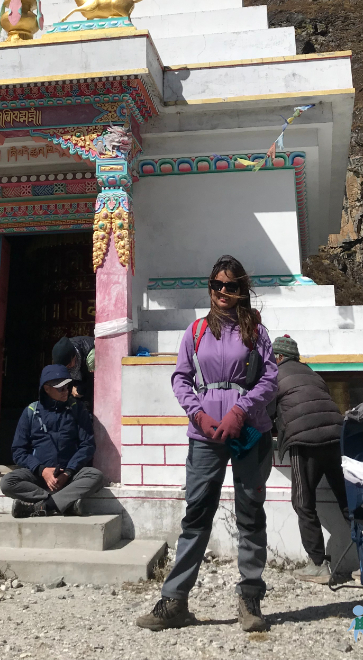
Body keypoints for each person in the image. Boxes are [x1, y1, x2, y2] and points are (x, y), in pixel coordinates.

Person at [137, 255, 278, 634]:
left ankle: (250, 597)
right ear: (210, 286)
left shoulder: (256, 332)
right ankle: (175, 601)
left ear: (242, 290)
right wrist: (198, 414)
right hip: (205, 435)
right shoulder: (196, 331)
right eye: (217, 285)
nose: (223, 293)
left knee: (250, 513)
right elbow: (181, 378)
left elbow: (268, 379)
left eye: (231, 287)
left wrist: (240, 411)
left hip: (248, 431)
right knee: (197, 514)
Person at [269, 334, 348, 584]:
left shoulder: (274, 375)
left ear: (279, 357)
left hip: (305, 442)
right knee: (347, 499)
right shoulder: (314, 374)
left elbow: (267, 410)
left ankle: (317, 564)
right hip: (337, 438)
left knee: (303, 502)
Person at [0, 364, 104, 517]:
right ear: (47, 389)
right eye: (60, 388)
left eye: (67, 387)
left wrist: (68, 472)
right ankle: (63, 504)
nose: (66, 391)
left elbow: (87, 445)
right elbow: (18, 451)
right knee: (7, 482)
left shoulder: (77, 409)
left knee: (96, 476)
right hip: (39, 476)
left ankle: (42, 506)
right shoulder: (31, 412)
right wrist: (42, 470)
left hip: (69, 475)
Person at [52, 334, 95, 407]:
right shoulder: (63, 352)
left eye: (68, 365)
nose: (68, 368)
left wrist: (80, 390)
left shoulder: (91, 357)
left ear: (74, 356)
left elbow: (95, 381)